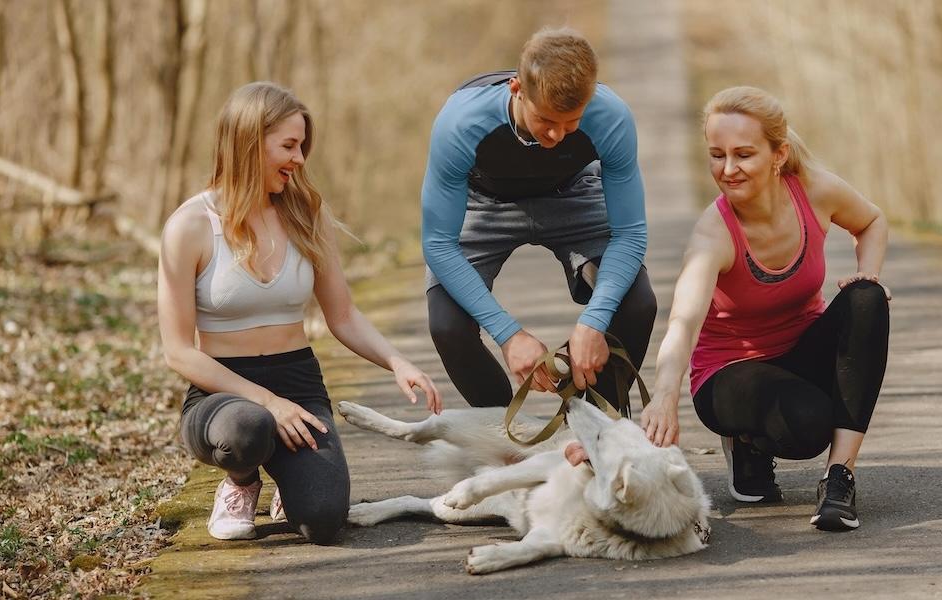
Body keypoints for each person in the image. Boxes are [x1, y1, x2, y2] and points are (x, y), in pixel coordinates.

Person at [157, 81, 441, 544]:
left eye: (302, 146)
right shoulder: (189, 226)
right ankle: (241, 483)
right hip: (220, 395)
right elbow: (177, 353)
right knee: (248, 428)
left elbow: (343, 314)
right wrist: (268, 402)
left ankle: (291, 481)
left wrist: (396, 361)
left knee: (325, 520)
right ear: (249, 143)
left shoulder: (307, 213)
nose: (300, 159)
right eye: (289, 145)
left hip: (299, 382)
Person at [641, 86, 890, 532]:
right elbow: (684, 321)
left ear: (778, 154)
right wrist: (664, 396)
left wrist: (865, 271)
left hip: (799, 355)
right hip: (730, 374)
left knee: (867, 297)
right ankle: (745, 441)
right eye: (717, 155)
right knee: (809, 426)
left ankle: (840, 478)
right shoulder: (713, 235)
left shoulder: (814, 191)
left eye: (743, 154)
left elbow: (871, 221)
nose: (728, 169)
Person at [422, 27, 656, 406]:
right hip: (484, 201)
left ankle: (595, 432)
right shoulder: (460, 123)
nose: (558, 134)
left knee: (637, 303)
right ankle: (503, 439)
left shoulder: (611, 117)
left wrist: (594, 321)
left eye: (572, 122)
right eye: (546, 119)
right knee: (447, 326)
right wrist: (508, 335)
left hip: (573, 194)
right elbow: (438, 243)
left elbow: (630, 232)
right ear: (517, 89)